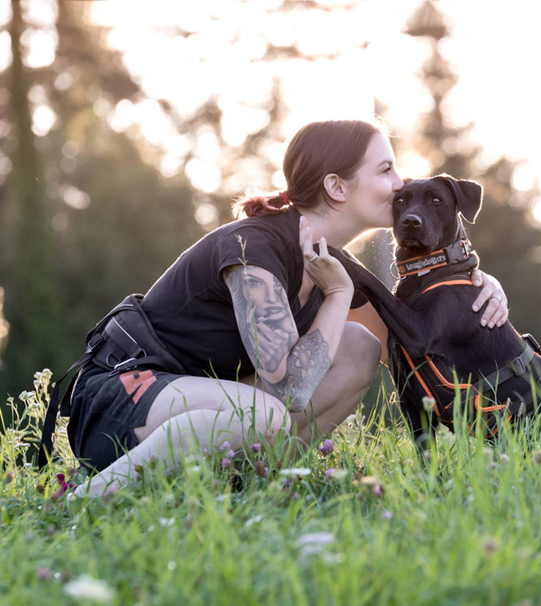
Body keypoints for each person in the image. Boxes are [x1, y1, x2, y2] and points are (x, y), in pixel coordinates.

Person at [69, 119, 510, 497]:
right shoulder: (253, 246)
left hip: (199, 405)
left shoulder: (331, 259)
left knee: (357, 345)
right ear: (336, 187)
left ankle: (248, 487)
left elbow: (416, 332)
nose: (400, 183)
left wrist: (474, 281)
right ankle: (87, 499)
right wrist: (337, 297)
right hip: (123, 400)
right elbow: (288, 391)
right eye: (386, 169)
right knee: (267, 414)